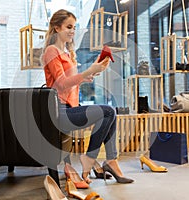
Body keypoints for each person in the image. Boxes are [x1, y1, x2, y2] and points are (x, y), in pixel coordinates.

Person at [42, 9, 133, 184]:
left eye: (74, 27)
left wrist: (88, 76)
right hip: (59, 112)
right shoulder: (51, 51)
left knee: (110, 112)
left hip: (70, 108)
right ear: (56, 27)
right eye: (68, 26)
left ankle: (111, 160)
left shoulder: (67, 54)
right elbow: (60, 84)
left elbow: (69, 84)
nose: (72, 31)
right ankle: (90, 159)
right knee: (107, 112)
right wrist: (88, 71)